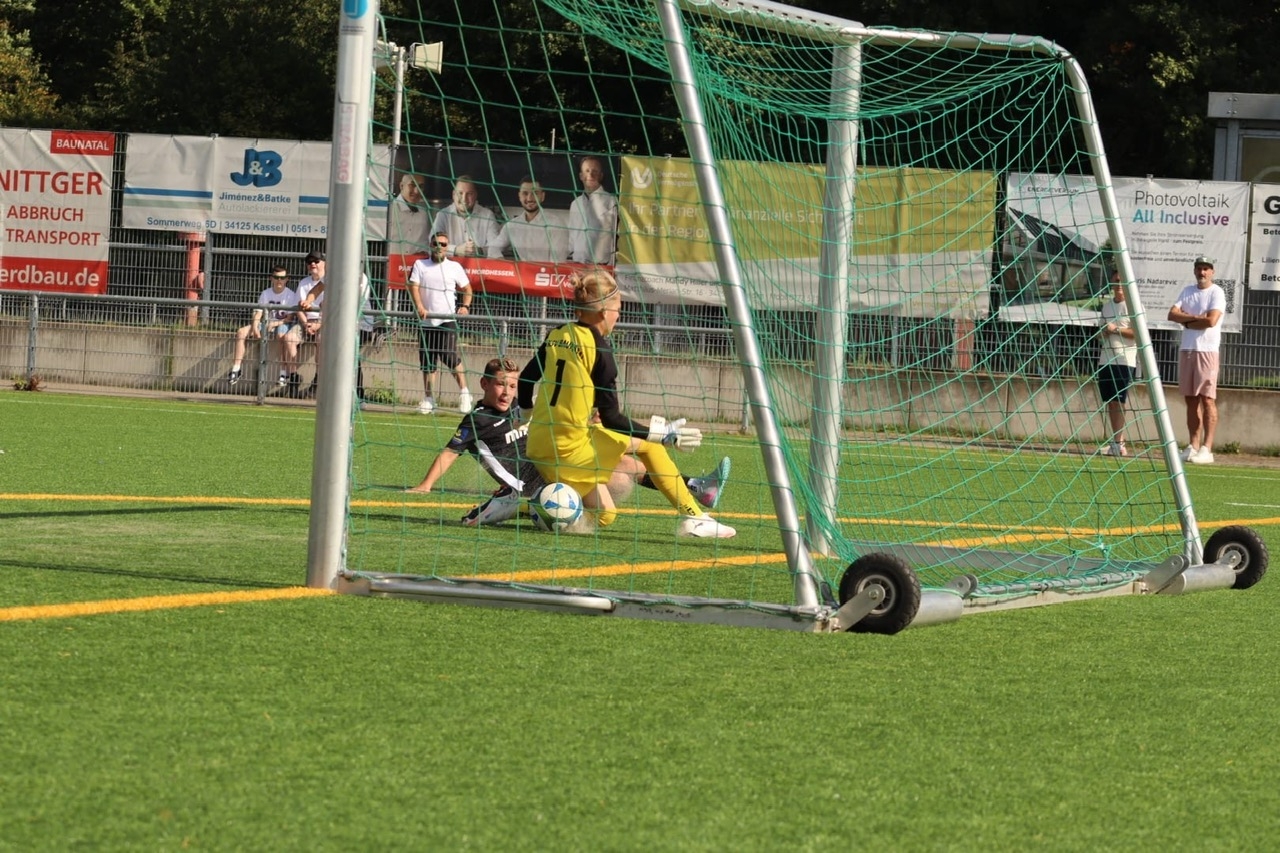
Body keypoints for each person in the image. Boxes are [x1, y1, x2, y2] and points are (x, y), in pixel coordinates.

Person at [518, 269, 736, 538]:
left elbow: (526, 379)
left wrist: (525, 415)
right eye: (618, 310)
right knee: (650, 446)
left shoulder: (557, 334)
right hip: (569, 449)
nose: (618, 316)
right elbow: (612, 419)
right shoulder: (600, 349)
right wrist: (662, 435)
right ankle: (695, 517)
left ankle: (518, 506)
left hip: (540, 446)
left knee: (606, 515)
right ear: (603, 311)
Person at [408, 357, 732, 528]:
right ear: (483, 384)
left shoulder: (522, 409)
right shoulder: (477, 420)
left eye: (513, 386)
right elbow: (450, 452)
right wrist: (425, 486)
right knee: (618, 482)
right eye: (500, 385)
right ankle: (527, 507)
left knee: (627, 464)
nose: (507, 392)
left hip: (558, 465)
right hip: (533, 483)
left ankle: (697, 486)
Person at [407, 232, 474, 414]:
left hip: (447, 320)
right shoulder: (420, 264)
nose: (439, 247)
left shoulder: (454, 267)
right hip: (426, 321)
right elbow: (414, 286)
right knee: (428, 362)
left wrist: (465, 306)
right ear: (431, 245)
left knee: (448, 355)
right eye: (436, 243)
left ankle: (464, 393)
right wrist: (419, 306)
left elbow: (467, 289)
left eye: (443, 244)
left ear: (447, 247)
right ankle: (429, 399)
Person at [1167, 255, 1225, 465]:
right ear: (1195, 271)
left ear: (1212, 272)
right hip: (1187, 349)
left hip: (1207, 351)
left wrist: (1187, 321)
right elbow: (1172, 315)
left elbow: (1211, 321)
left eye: (1206, 269)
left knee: (1207, 399)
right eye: (1199, 268)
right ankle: (1193, 446)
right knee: (1190, 399)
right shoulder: (1187, 291)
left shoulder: (1217, 292)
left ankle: (1207, 448)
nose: (1202, 272)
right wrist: (1195, 319)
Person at [227, 265, 300, 388]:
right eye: (276, 277)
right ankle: (236, 369)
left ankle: (284, 372)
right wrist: (255, 326)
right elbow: (258, 313)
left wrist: (275, 323)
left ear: (287, 279)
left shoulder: (290, 295)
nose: (279, 280)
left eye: (282, 278)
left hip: (282, 323)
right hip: (266, 323)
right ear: (271, 278)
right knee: (241, 332)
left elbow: (290, 318)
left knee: (281, 334)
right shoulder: (266, 293)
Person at [1097, 269, 1137, 457]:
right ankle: (1116, 442)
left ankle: (1119, 443)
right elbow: (1099, 334)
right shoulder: (1106, 307)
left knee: (1119, 401)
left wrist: (1115, 330)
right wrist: (1104, 332)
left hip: (1124, 360)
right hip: (1105, 359)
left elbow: (1137, 334)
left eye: (1122, 281)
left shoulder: (1134, 306)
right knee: (1111, 402)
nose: (1119, 285)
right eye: (1116, 281)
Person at [488, 176, 571, 262]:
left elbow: (557, 263)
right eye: (525, 193)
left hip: (546, 270)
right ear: (519, 196)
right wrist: (507, 265)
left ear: (542, 196)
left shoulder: (556, 224)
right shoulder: (512, 225)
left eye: (535, 193)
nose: (529, 198)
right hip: (521, 271)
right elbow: (493, 248)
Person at [430, 174, 500, 258]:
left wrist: (480, 251)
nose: (464, 198)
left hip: (479, 266)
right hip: (450, 265)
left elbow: (496, 247)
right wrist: (456, 250)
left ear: (475, 195)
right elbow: (433, 244)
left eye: (469, 194)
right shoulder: (443, 215)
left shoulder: (487, 215)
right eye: (460, 193)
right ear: (453, 195)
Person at [567, 155, 618, 265]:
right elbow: (572, 236)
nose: (590, 175)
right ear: (581, 176)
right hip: (577, 265)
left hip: (602, 266)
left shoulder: (612, 201)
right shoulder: (575, 204)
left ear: (601, 176)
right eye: (587, 171)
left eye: (595, 171)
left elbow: (616, 237)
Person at [293, 250, 326, 399]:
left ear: (325, 263)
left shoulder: (334, 279)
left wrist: (319, 325)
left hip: (326, 322)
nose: (312, 264)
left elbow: (331, 308)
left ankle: (318, 380)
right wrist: (306, 323)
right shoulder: (304, 282)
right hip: (306, 322)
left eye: (316, 261)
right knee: (288, 338)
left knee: (321, 340)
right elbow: (300, 305)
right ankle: (291, 378)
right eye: (309, 262)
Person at [387, 172, 434, 274]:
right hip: (389, 268)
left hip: (414, 270)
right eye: (412, 185)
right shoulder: (389, 210)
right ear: (401, 186)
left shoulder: (424, 213)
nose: (417, 191)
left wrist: (423, 252)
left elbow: (425, 243)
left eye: (420, 186)